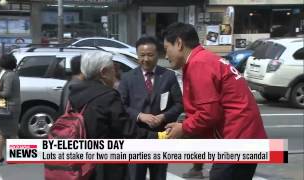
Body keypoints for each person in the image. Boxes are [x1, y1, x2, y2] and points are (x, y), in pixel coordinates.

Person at [163, 22, 267, 180]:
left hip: (238, 140)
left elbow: (209, 114)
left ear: (178, 43)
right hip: (245, 137)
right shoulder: (205, 59)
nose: (165, 56)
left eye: (166, 49)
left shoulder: (198, 64)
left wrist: (183, 128)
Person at [68, 51, 158, 180]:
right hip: (105, 167)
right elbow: (127, 130)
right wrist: (158, 136)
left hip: (80, 163)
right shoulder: (108, 96)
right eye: (113, 69)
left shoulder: (74, 93)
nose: (115, 74)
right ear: (104, 72)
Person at [118, 36, 183, 180]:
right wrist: (140, 115)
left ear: (158, 55)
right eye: (142, 55)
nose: (145, 59)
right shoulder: (128, 77)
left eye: (150, 55)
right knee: (135, 176)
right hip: (135, 136)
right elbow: (121, 105)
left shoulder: (168, 76)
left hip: (160, 136)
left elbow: (179, 103)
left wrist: (164, 116)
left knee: (159, 176)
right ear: (137, 55)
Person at [0, 54, 20, 166]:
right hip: (12, 106)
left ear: (3, 63)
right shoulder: (10, 74)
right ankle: (13, 156)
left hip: (9, 107)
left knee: (0, 131)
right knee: (12, 132)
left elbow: (6, 93)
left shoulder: (9, 75)